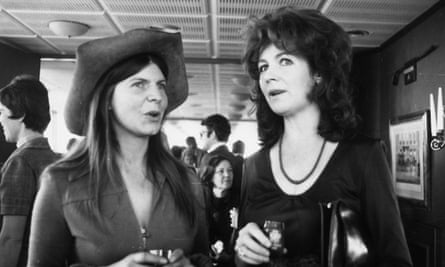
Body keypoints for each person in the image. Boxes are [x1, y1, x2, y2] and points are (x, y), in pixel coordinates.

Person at [234, 6, 412, 267]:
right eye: (263, 67)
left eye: (284, 61)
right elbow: (243, 254)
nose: (269, 76)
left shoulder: (364, 157)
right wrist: (242, 253)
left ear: (319, 73)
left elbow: (397, 261)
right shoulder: (252, 166)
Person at [27, 28, 210, 267]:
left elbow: (204, 257)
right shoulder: (61, 182)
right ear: (107, 100)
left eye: (161, 85)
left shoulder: (187, 180)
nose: (157, 95)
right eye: (139, 84)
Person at [0, 75, 60, 267]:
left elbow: (11, 238)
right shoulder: (54, 159)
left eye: (2, 111)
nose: (0, 119)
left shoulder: (20, 161)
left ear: (21, 114)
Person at [201, 155, 238, 267]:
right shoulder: (200, 199)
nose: (227, 175)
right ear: (210, 175)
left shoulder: (238, 200)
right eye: (221, 171)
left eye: (230, 171)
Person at [198, 114, 243, 202]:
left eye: (202, 134)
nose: (200, 138)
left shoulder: (208, 159)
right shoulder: (239, 160)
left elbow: (202, 194)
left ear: (212, 134)